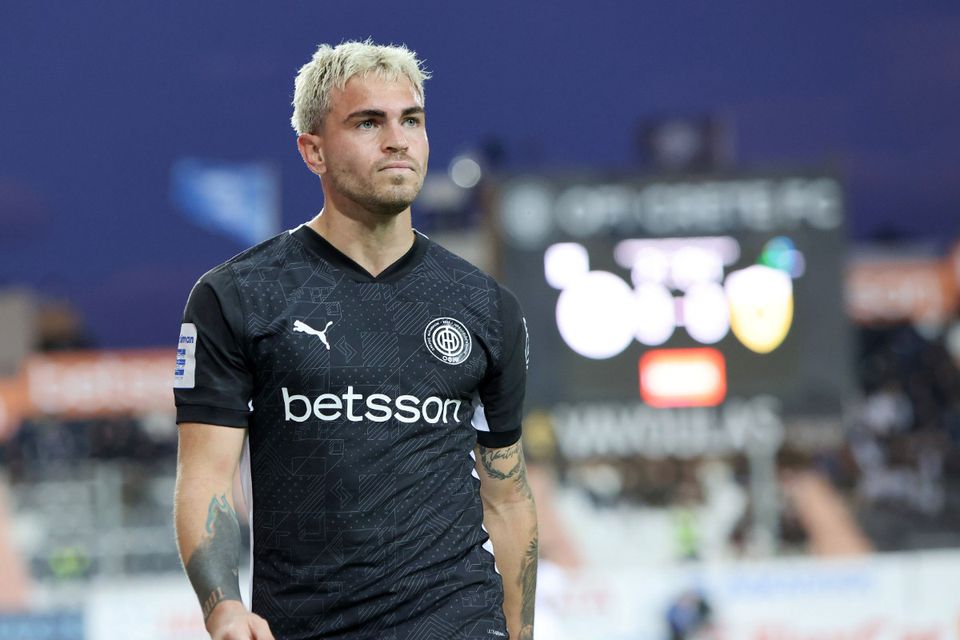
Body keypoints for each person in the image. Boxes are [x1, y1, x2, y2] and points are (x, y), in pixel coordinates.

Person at [173, 40, 538, 640]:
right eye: (369, 122)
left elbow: (508, 497)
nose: (397, 140)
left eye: (411, 120)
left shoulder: (487, 307)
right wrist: (222, 607)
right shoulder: (237, 296)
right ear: (313, 150)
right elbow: (206, 479)